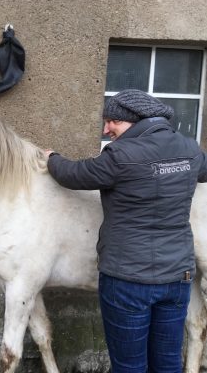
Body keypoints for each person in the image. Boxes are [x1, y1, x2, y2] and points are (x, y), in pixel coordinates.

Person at [46, 89, 207, 373]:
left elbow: (74, 174)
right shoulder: (190, 150)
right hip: (177, 279)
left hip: (128, 281)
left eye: (112, 122)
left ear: (135, 120)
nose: (107, 130)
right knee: (167, 363)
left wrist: (51, 158)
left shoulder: (120, 156)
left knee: (129, 366)